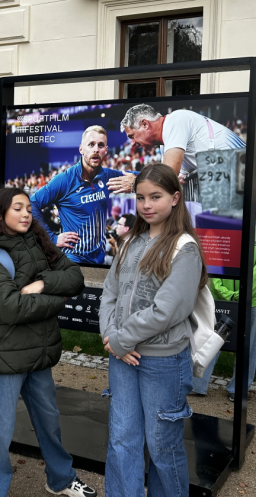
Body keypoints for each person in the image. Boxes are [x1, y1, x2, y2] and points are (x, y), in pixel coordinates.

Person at [0, 188, 96, 497]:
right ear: (0, 215)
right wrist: (57, 300)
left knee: (49, 423)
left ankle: (61, 480)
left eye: (29, 207)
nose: (27, 213)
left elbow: (75, 278)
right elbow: (10, 307)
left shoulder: (41, 242)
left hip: (39, 354)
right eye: (18, 208)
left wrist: (41, 284)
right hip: (7, 357)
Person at [99, 164, 208, 496]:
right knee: (122, 440)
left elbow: (168, 310)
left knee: (162, 445)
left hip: (162, 362)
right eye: (141, 197)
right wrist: (110, 337)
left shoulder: (185, 247)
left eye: (155, 197)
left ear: (175, 198)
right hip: (122, 357)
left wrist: (120, 338)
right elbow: (110, 293)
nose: (146, 205)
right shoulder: (132, 240)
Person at [30, 125, 136, 264]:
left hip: (99, 260)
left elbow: (147, 176)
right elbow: (32, 203)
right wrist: (52, 238)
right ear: (81, 149)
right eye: (91, 144)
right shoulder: (64, 180)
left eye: (100, 145)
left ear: (105, 150)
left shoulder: (108, 176)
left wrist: (136, 181)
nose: (96, 149)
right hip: (73, 260)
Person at [115, 103, 246, 201]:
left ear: (145, 124)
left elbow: (167, 175)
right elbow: (171, 180)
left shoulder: (175, 120)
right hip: (234, 177)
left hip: (245, 174)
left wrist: (136, 183)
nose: (132, 144)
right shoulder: (165, 144)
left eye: (132, 136)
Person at [191, 260, 256, 401]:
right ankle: (197, 384)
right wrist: (230, 295)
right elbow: (216, 264)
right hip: (221, 299)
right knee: (211, 338)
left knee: (248, 346)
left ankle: (238, 388)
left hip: (252, 301)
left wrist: (240, 294)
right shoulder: (229, 237)